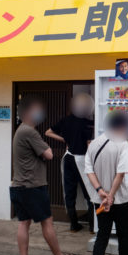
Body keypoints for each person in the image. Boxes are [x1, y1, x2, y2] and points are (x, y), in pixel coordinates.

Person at [10, 95, 76, 255]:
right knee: (47, 222)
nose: (40, 113)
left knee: (23, 223)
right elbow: (49, 154)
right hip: (33, 186)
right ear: (28, 112)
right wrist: (45, 147)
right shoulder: (30, 132)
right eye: (37, 110)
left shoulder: (20, 130)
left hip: (18, 186)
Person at [85, 110, 128, 255]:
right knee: (124, 235)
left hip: (99, 200)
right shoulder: (122, 144)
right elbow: (121, 173)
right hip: (120, 199)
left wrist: (101, 192)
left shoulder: (94, 144)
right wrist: (111, 195)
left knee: (102, 236)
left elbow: (89, 171)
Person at [45, 93, 95, 232]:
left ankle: (74, 225)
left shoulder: (66, 120)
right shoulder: (88, 123)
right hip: (81, 159)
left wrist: (65, 140)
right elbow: (89, 145)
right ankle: (92, 226)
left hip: (68, 158)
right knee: (89, 193)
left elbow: (48, 132)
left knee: (69, 192)